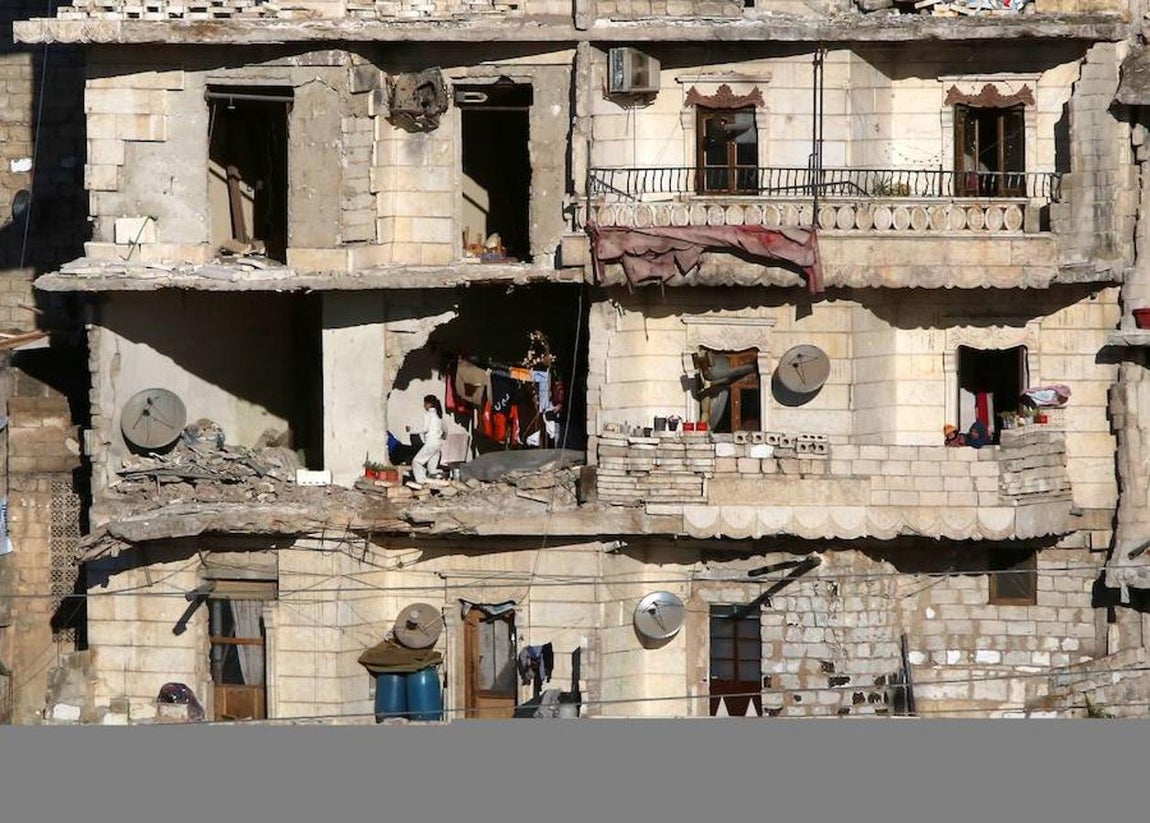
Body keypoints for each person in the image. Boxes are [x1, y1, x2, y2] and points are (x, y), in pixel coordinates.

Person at [406, 395, 444, 483]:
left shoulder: (428, 414)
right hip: (438, 444)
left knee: (416, 462)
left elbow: (424, 428)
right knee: (432, 469)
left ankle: (422, 482)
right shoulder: (439, 415)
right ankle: (436, 482)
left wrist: (411, 429)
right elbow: (444, 430)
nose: (424, 405)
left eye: (425, 403)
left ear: (429, 404)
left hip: (431, 443)